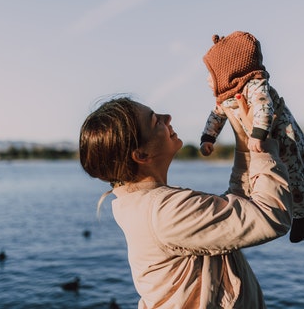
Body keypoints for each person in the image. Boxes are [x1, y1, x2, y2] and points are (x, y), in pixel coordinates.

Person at [79, 94, 293, 308]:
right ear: (141, 155)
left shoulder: (146, 205)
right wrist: (261, 145)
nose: (168, 117)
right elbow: (272, 215)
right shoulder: (163, 211)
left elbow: (239, 205)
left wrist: (245, 139)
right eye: (155, 121)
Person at [199, 31, 304, 243]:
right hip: (262, 146)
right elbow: (216, 115)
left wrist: (258, 133)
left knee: (296, 181)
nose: (208, 79)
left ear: (229, 71)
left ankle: (302, 217)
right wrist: (208, 137)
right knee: (259, 179)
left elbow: (265, 106)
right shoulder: (225, 96)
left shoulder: (254, 86)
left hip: (287, 142)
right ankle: (258, 207)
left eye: (212, 73)